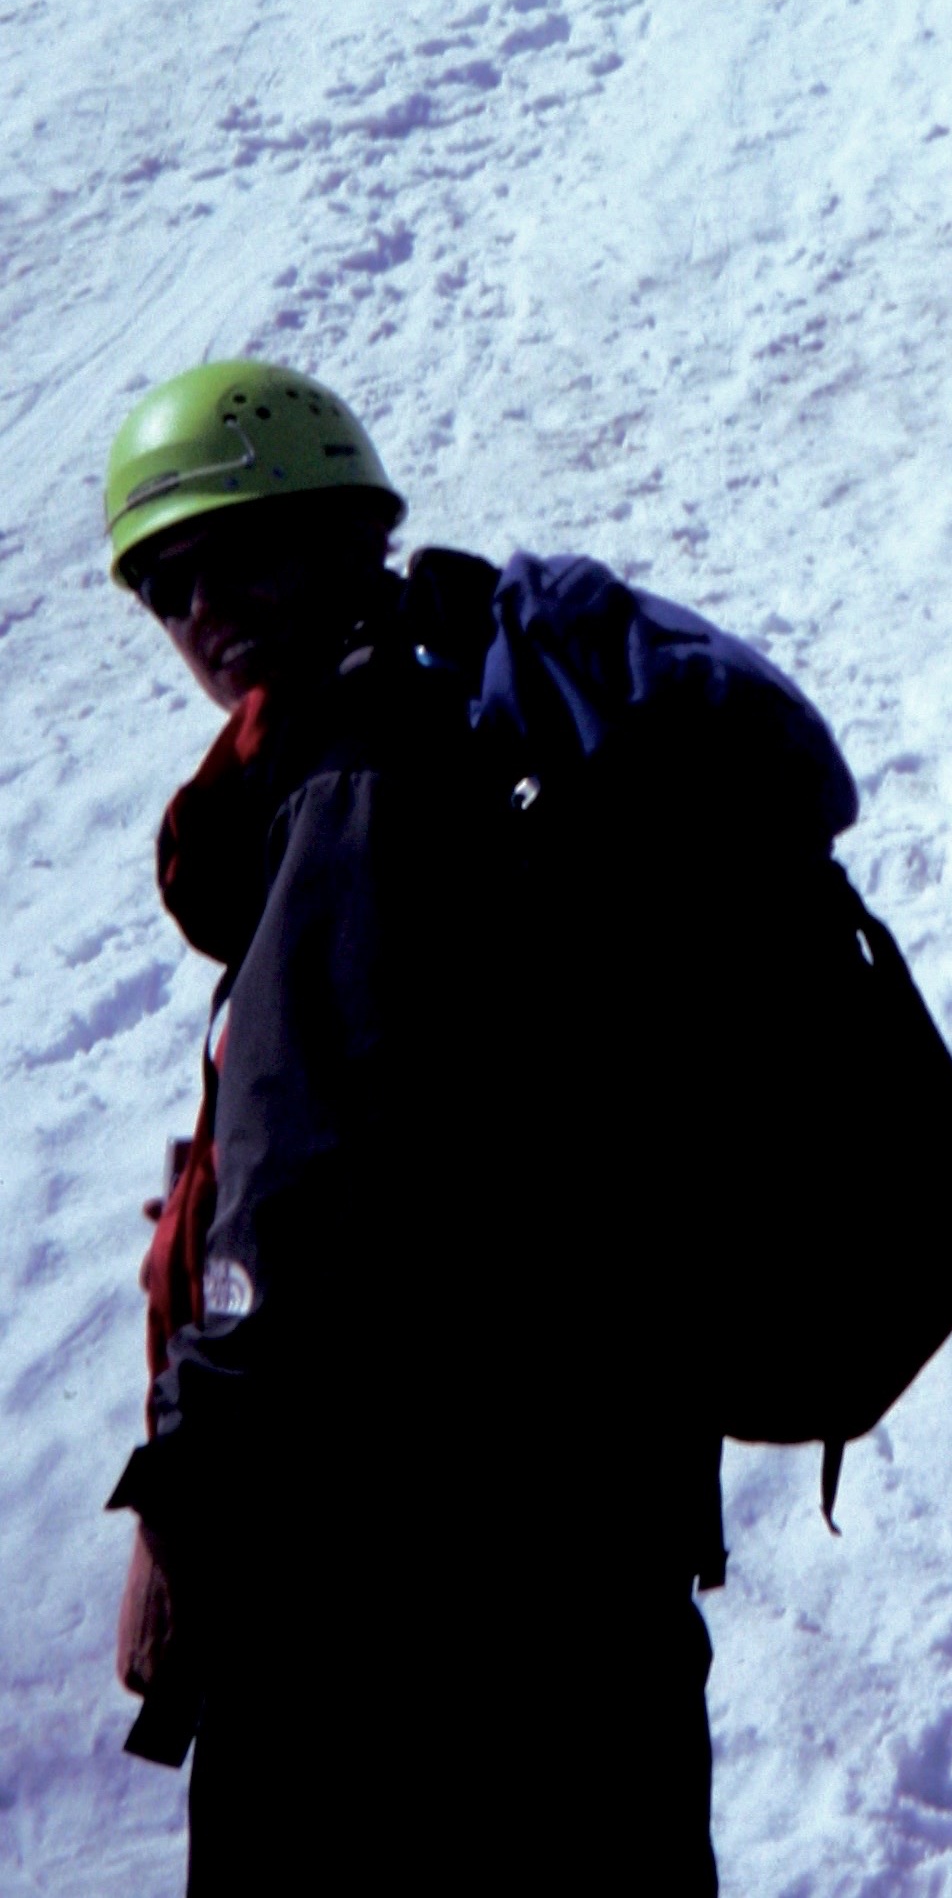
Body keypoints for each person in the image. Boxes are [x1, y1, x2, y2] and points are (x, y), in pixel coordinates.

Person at [102, 358, 857, 1898]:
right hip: (594, 1564)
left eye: (239, 552)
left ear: (344, 535)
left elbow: (294, 1215)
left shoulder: (365, 772)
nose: (203, 608)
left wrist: (181, 1508)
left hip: (380, 1611)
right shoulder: (481, 743)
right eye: (165, 583)